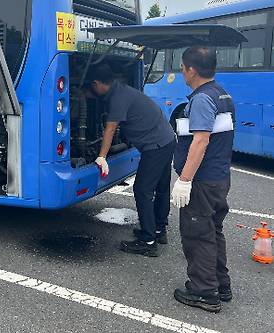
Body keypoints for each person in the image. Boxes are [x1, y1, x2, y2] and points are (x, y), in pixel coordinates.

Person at [171, 46, 234, 313]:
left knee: (197, 234)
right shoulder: (222, 94)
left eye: (183, 67)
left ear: (192, 70)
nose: (182, 72)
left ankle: (204, 292)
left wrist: (184, 180)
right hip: (219, 177)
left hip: (203, 181)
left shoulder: (202, 99)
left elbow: (200, 141)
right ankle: (221, 285)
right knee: (213, 231)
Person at [89, 63, 176, 257]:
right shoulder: (122, 89)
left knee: (142, 189)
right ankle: (159, 230)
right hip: (167, 138)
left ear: (97, 83)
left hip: (156, 144)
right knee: (161, 188)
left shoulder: (118, 98)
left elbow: (110, 129)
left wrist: (102, 157)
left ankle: (148, 240)